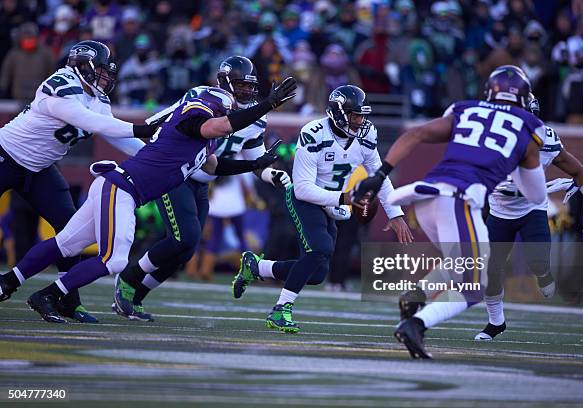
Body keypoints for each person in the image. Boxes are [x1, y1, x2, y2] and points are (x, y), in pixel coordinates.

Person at [0, 77, 297, 324]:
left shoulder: (202, 141)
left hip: (117, 188)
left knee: (65, 243)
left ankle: (9, 282)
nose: (223, 111)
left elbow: (214, 166)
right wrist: (267, 105)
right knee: (114, 259)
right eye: (222, 106)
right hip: (122, 190)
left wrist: (256, 164)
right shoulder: (194, 116)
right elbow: (217, 126)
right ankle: (50, 294)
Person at [353, 65, 548, 358]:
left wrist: (379, 175)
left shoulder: (465, 109)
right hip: (458, 200)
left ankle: (416, 295)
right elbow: (537, 195)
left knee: (461, 265)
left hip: (425, 197)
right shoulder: (529, 127)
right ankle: (416, 325)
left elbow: (416, 134)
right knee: (474, 287)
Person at [112, 56, 292, 322]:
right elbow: (157, 122)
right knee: (183, 237)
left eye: (250, 86)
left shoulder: (256, 117)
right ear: (224, 83)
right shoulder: (203, 98)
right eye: (241, 85)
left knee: (186, 249)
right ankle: (127, 279)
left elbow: (255, 160)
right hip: (176, 174)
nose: (247, 91)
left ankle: (135, 297)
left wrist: (270, 174)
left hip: (205, 178)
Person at [231, 85, 412, 333]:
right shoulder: (314, 133)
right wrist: (345, 197)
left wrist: (396, 214)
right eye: (354, 115)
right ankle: (280, 310)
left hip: (333, 202)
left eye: (361, 115)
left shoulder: (367, 135)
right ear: (338, 113)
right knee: (320, 248)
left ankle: (256, 267)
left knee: (316, 273)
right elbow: (303, 188)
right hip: (304, 198)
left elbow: (380, 177)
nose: (360, 120)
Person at [0, 40, 157, 322]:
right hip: (6, 155)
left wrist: (157, 154)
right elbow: (90, 122)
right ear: (82, 64)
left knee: (69, 230)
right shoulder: (60, 82)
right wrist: (142, 126)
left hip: (40, 168)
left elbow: (115, 135)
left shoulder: (98, 100)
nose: (106, 77)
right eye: (102, 70)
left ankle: (66, 300)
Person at [474, 94, 583, 341]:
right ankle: (495, 321)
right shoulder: (488, 136)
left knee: (538, 262)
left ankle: (544, 273)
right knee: (490, 270)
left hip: (531, 208)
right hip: (499, 212)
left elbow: (578, 171)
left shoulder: (545, 138)